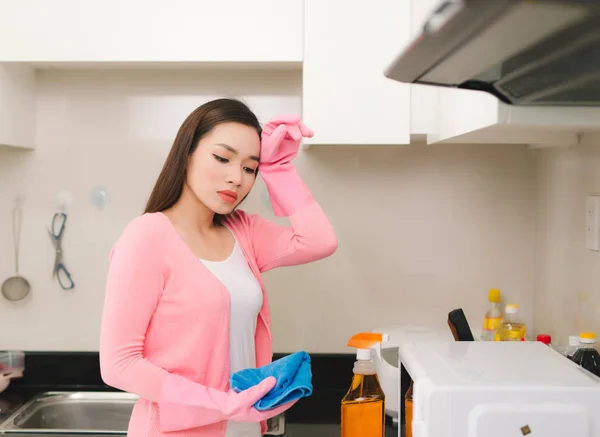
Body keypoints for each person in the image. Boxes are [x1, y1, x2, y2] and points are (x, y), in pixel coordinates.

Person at [99, 98, 337, 437]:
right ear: (187, 154)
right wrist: (222, 403)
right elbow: (118, 365)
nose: (236, 178)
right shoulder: (147, 236)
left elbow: (319, 241)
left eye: (249, 168)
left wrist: (279, 167)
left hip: (246, 428)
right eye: (222, 158)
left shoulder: (243, 230)